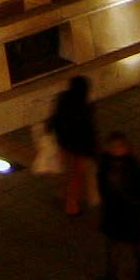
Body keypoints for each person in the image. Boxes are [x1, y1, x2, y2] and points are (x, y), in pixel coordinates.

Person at [91, 135, 140, 280]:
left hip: (130, 213)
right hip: (114, 211)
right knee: (112, 244)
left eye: (118, 146)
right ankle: (111, 275)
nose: (115, 149)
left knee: (136, 245)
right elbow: (101, 181)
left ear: (126, 147)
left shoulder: (134, 167)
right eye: (112, 146)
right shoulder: (105, 162)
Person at [45, 73, 98, 219]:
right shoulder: (85, 107)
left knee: (67, 172)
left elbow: (54, 119)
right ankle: (72, 206)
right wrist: (94, 151)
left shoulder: (63, 98)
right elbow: (89, 131)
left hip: (64, 143)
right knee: (77, 176)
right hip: (80, 147)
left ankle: (64, 193)